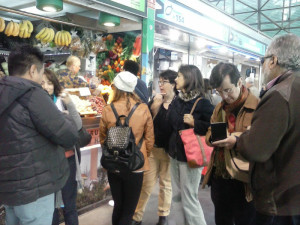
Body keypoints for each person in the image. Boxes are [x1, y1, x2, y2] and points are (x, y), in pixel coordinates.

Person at [216, 34, 300, 225]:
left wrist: (240, 139)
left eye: (263, 60)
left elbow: (257, 149)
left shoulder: (280, 94)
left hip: (280, 201)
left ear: (274, 61)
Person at [0, 45, 78, 225]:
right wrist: (65, 118)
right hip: (33, 189)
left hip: (8, 189)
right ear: (33, 70)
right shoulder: (32, 94)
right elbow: (67, 135)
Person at [201, 62, 258, 225]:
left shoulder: (257, 107)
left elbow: (261, 142)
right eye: (219, 92)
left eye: (227, 90)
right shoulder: (219, 108)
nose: (224, 96)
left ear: (239, 83)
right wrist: (213, 139)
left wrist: (236, 140)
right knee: (222, 219)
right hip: (220, 177)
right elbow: (209, 134)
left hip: (244, 180)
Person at [99, 71, 154, 225]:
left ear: (116, 87)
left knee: (118, 206)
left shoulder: (108, 109)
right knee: (129, 211)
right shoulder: (143, 109)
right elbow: (149, 140)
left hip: (114, 164)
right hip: (135, 166)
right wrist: (141, 156)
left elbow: (103, 139)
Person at [167, 65, 214, 225]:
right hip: (174, 153)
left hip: (190, 157)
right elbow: (170, 123)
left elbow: (215, 127)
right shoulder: (177, 99)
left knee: (189, 198)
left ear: (189, 78)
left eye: (179, 76)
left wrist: (196, 123)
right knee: (176, 196)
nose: (176, 79)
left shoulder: (203, 103)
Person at [132, 70, 177, 225]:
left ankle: (163, 216)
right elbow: (148, 123)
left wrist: (162, 108)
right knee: (146, 184)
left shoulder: (177, 104)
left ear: (173, 84)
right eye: (160, 82)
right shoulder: (155, 100)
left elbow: (172, 126)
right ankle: (137, 216)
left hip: (169, 152)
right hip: (153, 149)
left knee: (166, 185)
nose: (161, 85)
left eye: (164, 82)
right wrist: (153, 108)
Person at [41, 69, 82, 225]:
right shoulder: (35, 105)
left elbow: (78, 125)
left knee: (69, 205)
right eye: (42, 82)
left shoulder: (61, 100)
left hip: (67, 159)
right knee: (51, 207)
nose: (46, 86)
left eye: (50, 83)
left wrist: (70, 104)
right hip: (47, 162)